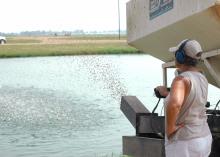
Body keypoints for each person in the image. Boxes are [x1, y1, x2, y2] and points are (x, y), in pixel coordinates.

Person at [155, 39, 212, 157]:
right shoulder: (202, 77)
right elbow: (190, 98)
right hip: (203, 137)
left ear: (180, 57)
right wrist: (167, 93)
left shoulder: (180, 80)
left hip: (184, 142)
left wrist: (170, 129)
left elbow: (175, 104)